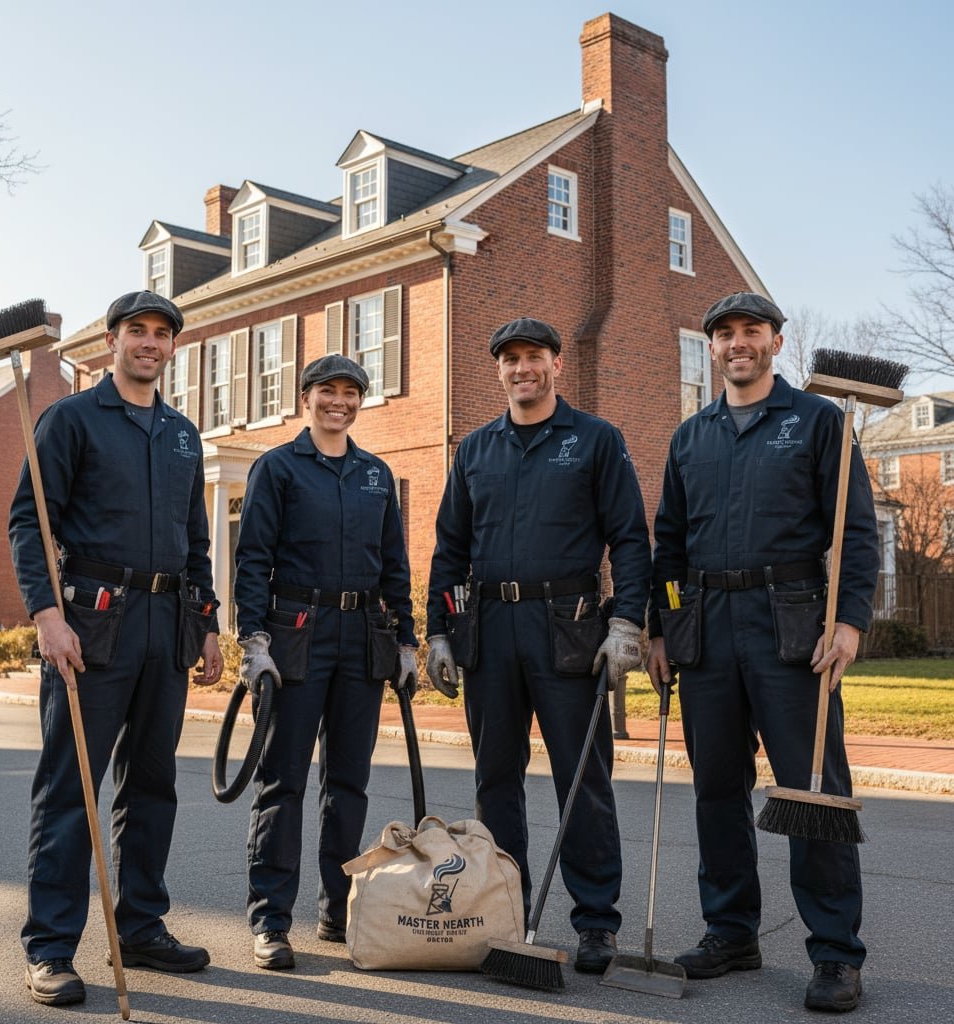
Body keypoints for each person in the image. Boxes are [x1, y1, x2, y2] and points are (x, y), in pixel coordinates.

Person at [647, 292, 878, 1013]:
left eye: (752, 331)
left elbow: (859, 534)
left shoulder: (818, 422)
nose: (737, 343)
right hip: (707, 629)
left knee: (813, 789)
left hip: (793, 628)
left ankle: (836, 954)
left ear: (777, 343)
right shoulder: (692, 436)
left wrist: (848, 622)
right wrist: (661, 626)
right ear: (711, 347)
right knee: (716, 788)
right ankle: (731, 931)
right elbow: (669, 546)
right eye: (724, 333)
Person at [9, 290, 223, 1007]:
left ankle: (139, 926)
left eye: (163, 334)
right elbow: (26, 522)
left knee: (152, 784)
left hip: (167, 624)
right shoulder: (70, 420)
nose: (151, 343)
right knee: (73, 788)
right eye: (139, 330)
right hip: (92, 621)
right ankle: (49, 948)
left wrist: (208, 621)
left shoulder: (183, 434)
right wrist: (46, 615)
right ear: (113, 341)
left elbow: (196, 540)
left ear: (171, 348)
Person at [425, 317, 651, 973]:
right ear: (498, 369)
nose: (523, 368)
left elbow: (631, 539)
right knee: (495, 782)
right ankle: (504, 914)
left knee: (581, 780)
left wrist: (627, 622)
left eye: (535, 357)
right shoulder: (475, 450)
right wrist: (440, 629)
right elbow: (450, 549)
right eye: (511, 359)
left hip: (571, 626)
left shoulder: (596, 441)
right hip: (491, 630)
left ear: (556, 364)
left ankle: (595, 925)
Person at [234, 353, 417, 971]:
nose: (339, 402)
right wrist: (253, 642)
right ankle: (270, 921)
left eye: (350, 393)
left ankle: (338, 911)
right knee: (282, 781)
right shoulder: (278, 468)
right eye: (327, 391)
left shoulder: (375, 474)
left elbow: (395, 564)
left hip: (363, 637)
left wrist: (410, 642)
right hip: (296, 634)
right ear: (305, 397)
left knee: (348, 783)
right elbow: (252, 559)